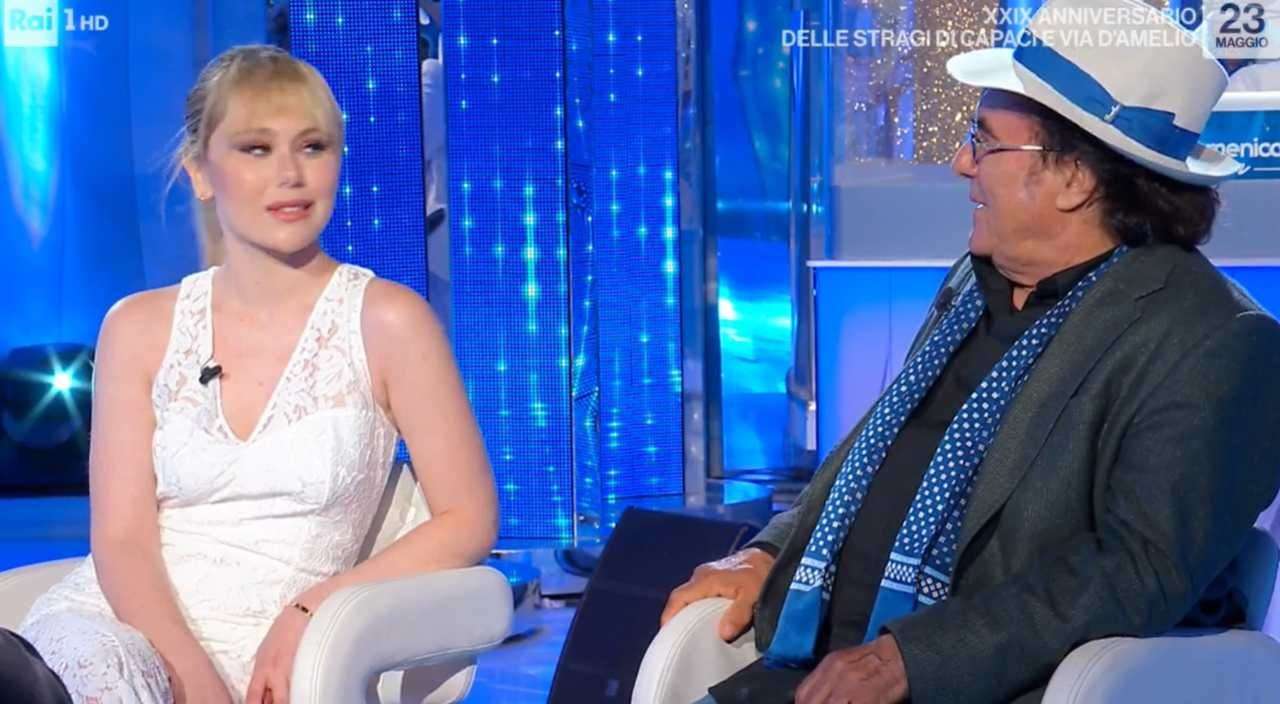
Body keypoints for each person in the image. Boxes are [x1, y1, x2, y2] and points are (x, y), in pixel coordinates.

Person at [661, 1, 1280, 702]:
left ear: (1075, 178)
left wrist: (913, 661)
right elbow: (875, 461)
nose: (961, 164)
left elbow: (1136, 570)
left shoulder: (1217, 342)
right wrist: (770, 552)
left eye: (983, 143)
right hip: (803, 666)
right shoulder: (971, 285)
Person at [17, 45, 497, 703]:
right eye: (257, 149)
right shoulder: (137, 327)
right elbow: (121, 541)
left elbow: (468, 518)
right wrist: (191, 681)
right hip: (125, 630)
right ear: (200, 172)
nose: (290, 175)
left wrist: (314, 609)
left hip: (293, 654)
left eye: (312, 146)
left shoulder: (390, 321)